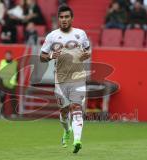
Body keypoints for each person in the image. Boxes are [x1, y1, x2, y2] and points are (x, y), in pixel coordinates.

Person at [40, 5, 91, 153]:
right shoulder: (52, 36)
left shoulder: (81, 34)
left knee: (76, 108)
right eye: (61, 17)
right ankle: (67, 131)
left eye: (67, 17)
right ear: (58, 19)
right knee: (63, 112)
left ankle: (77, 140)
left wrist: (85, 55)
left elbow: (87, 51)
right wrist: (50, 56)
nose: (64, 20)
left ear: (72, 18)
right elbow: (42, 57)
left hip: (78, 77)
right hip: (60, 80)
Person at [0, 51, 18, 117]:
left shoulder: (15, 63)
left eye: (9, 55)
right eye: (6, 55)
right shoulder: (1, 62)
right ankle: (2, 113)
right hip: (3, 84)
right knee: (2, 98)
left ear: (11, 56)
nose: (7, 56)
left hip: (12, 84)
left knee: (13, 99)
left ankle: (14, 113)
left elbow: (18, 73)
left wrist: (16, 82)